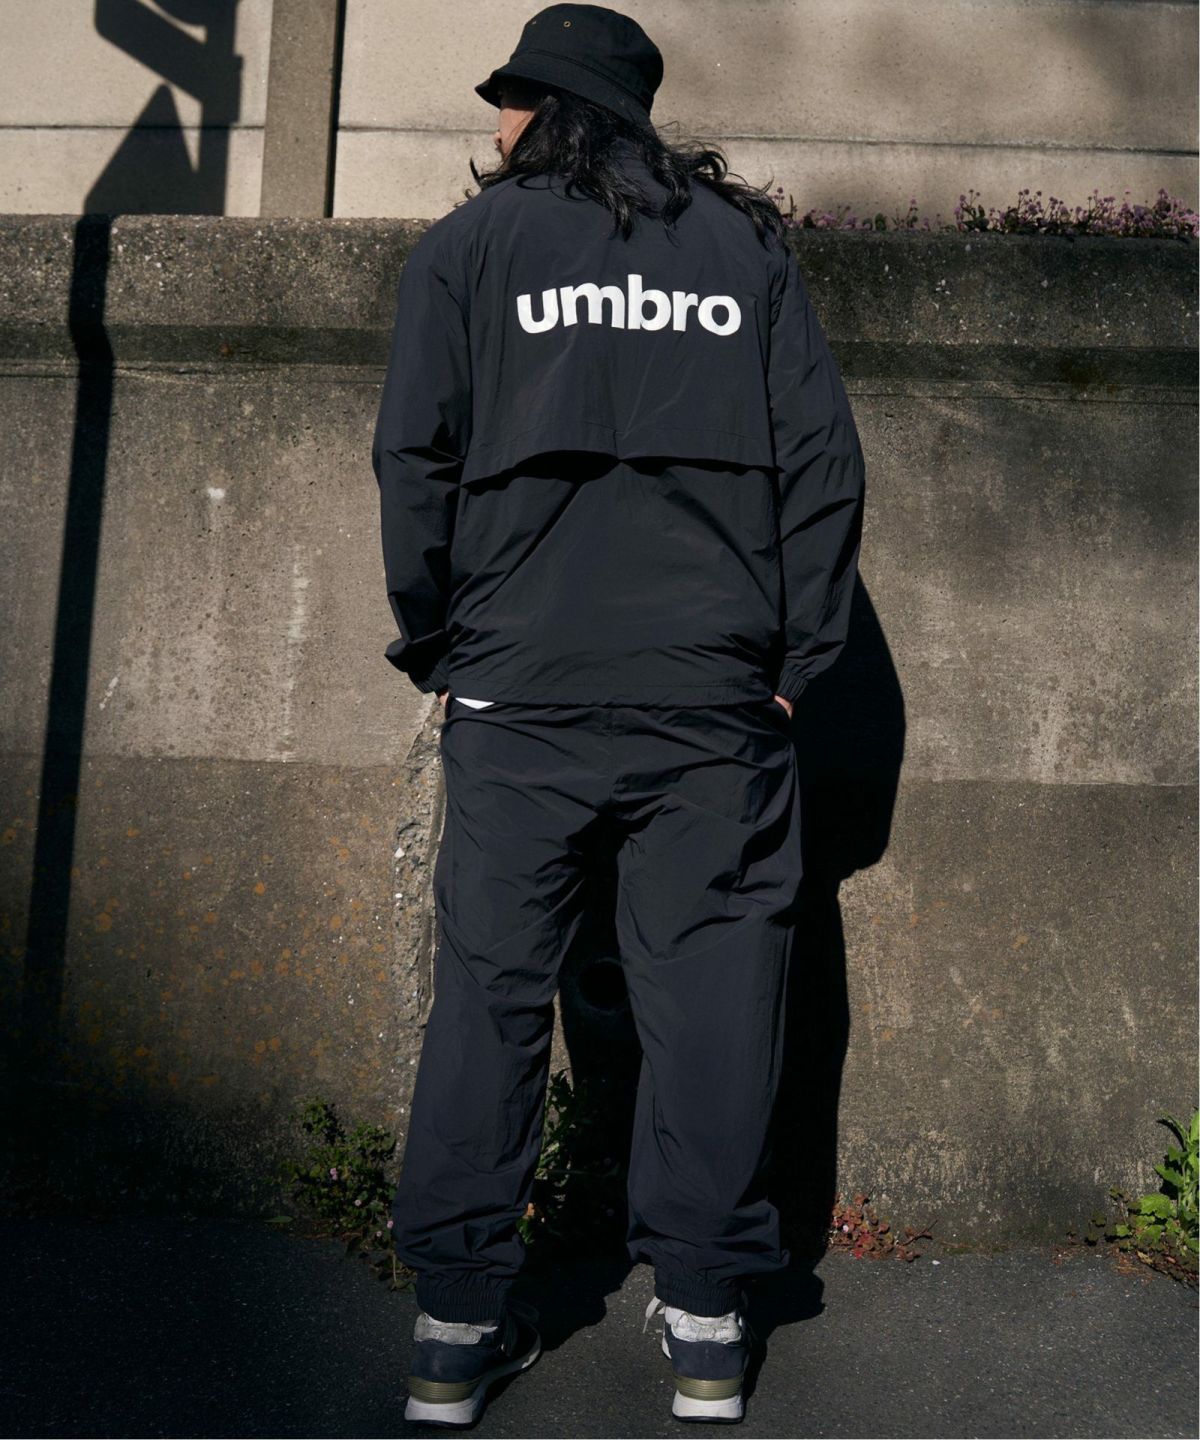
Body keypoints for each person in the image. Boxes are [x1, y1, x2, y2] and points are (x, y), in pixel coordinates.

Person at [371, 3, 866, 1426]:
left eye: (508, 98)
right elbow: (824, 466)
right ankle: (707, 1322)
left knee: (491, 991)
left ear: (544, 108)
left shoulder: (470, 249)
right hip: (710, 695)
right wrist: (797, 659)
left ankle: (455, 1327)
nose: (494, 122)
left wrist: (436, 640)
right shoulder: (744, 251)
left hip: (520, 687)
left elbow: (413, 456)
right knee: (715, 992)